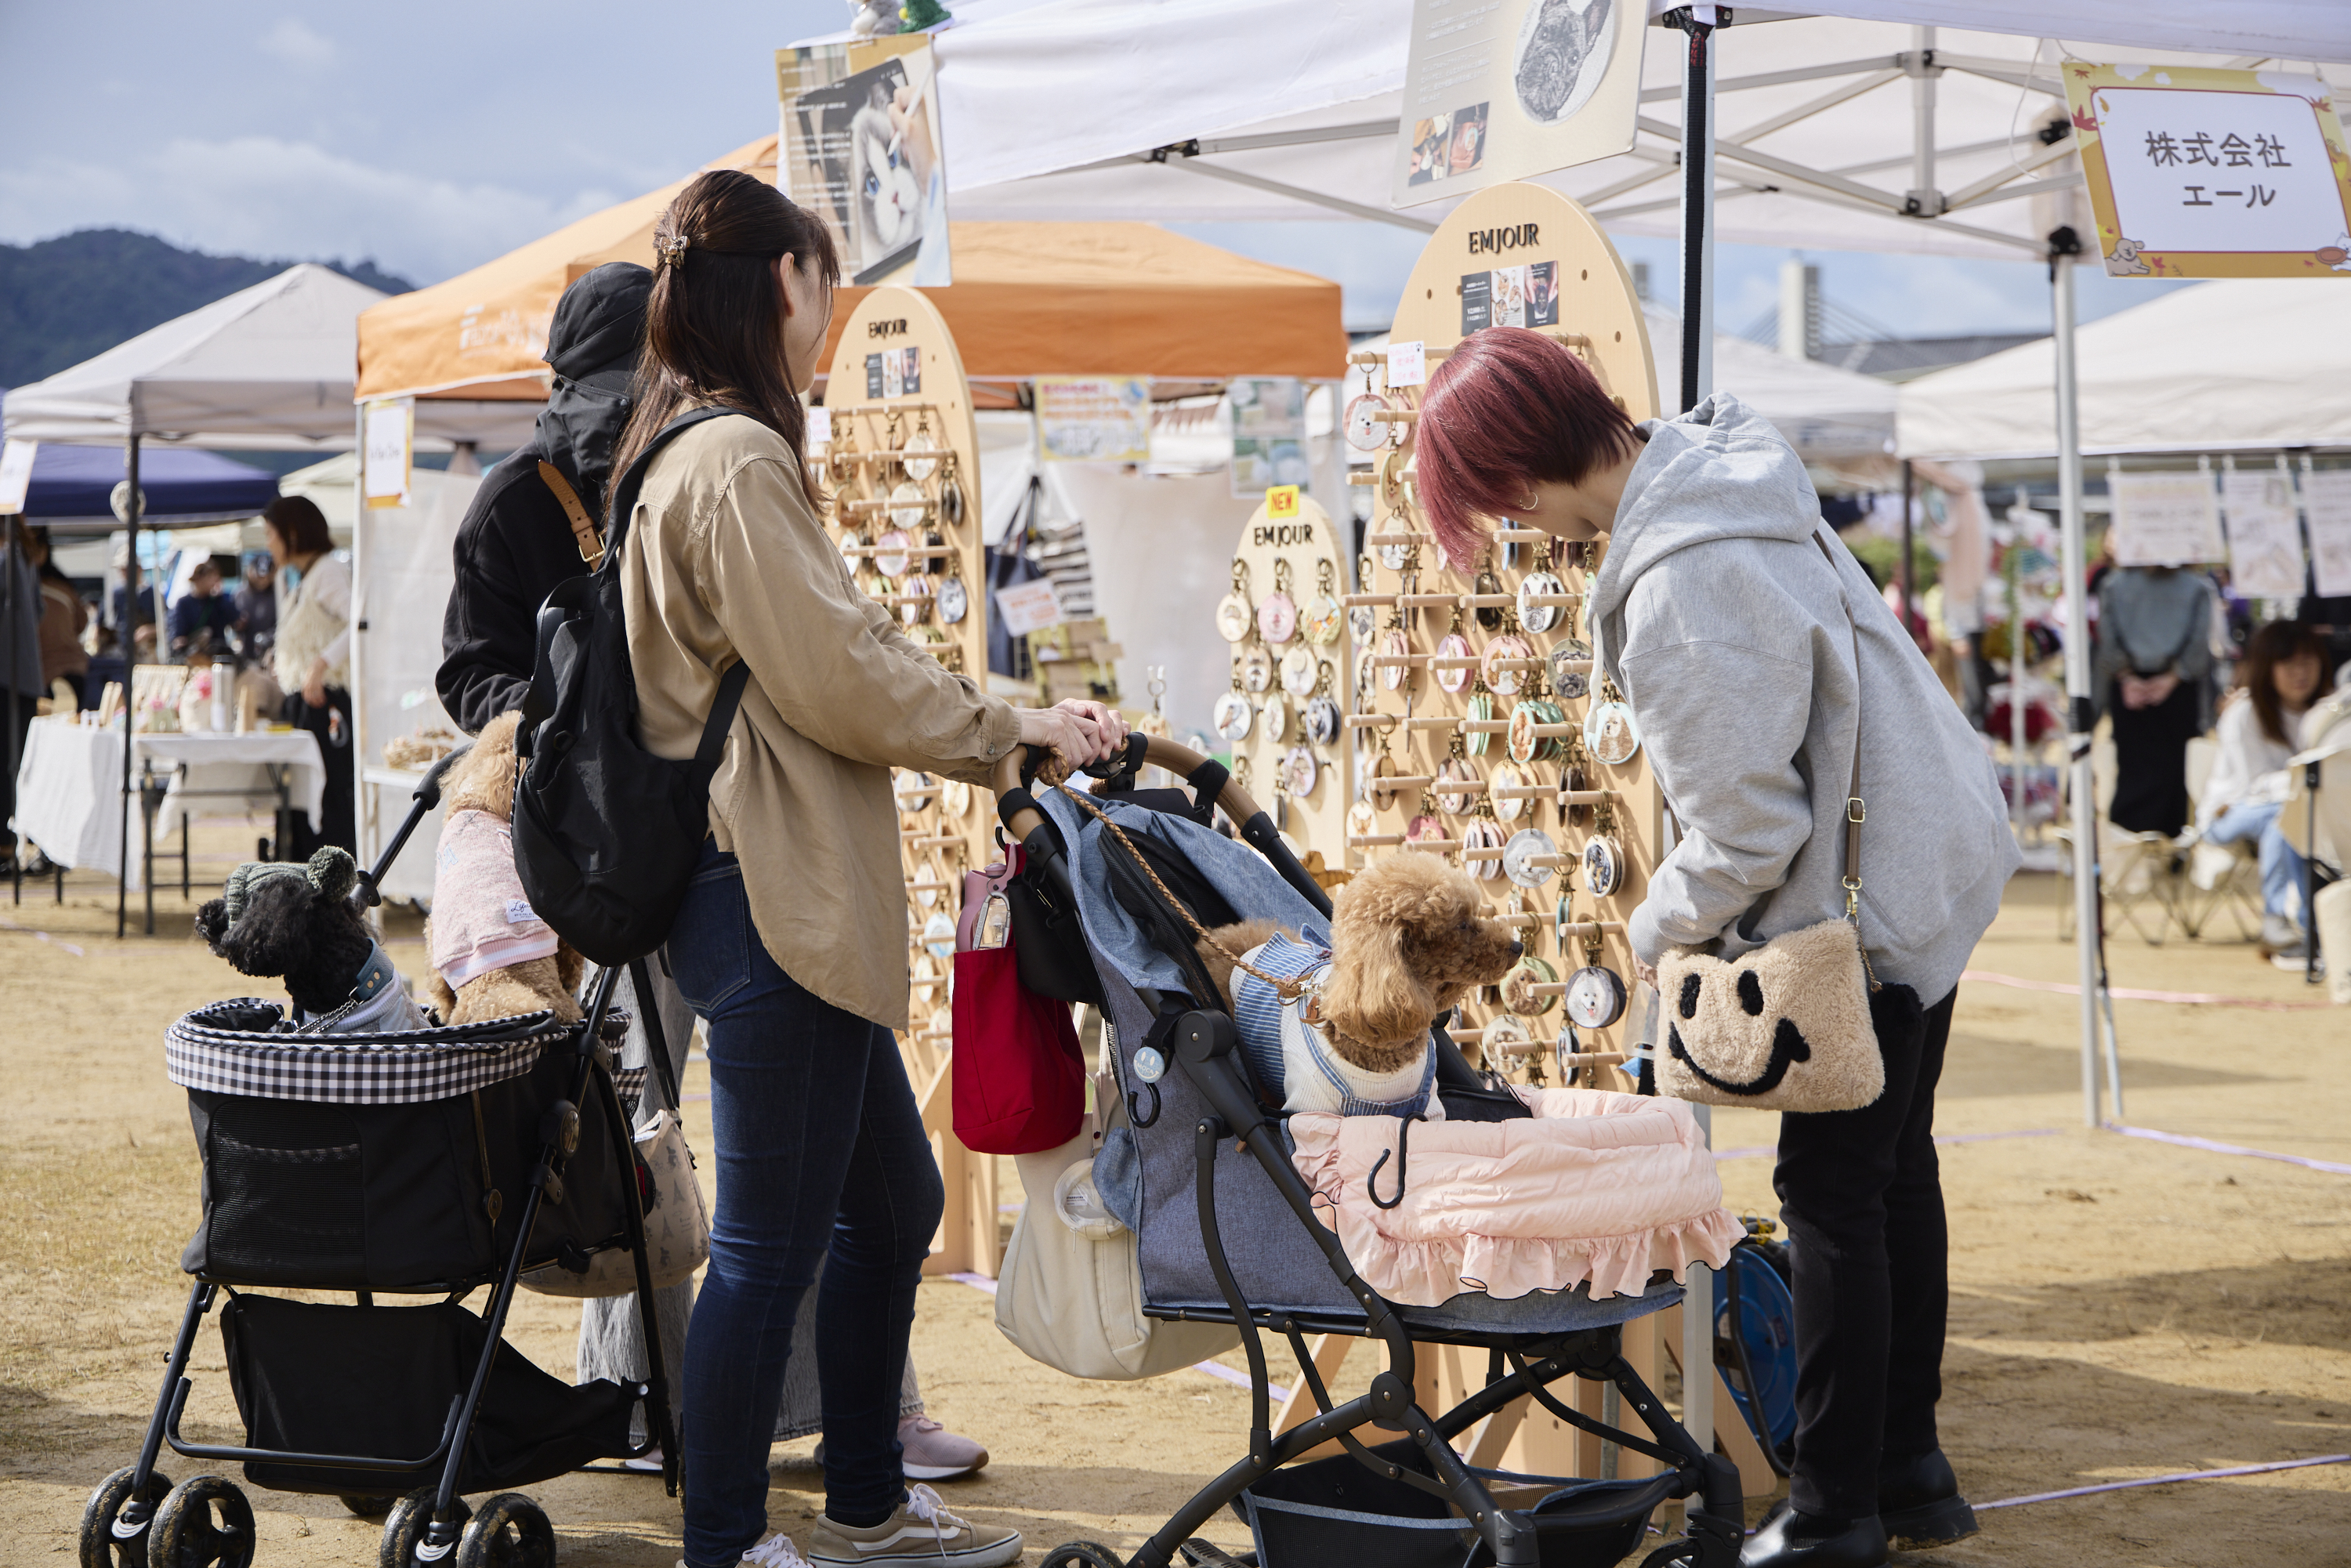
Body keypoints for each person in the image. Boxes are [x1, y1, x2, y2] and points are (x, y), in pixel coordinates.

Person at [1414, 328, 2017, 1568]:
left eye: (1494, 502)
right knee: (1893, 1170)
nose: (1511, 527)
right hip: (1928, 857)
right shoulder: (1721, 472)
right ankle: (1906, 1467)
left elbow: (1748, 829)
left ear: (1519, 474)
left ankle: (1836, 1509)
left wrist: (1653, 931)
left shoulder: (1682, 580)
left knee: (1831, 1196)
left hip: (1862, 908)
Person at [618, 170, 1128, 1568]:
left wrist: (1004, 717)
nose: (828, 316)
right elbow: (838, 674)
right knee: (766, 1251)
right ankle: (730, 1541)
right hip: (770, 893)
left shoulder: (696, 444)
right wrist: (1003, 729)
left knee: (893, 1203)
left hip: (774, 891)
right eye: (824, 285)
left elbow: (839, 654)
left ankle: (863, 1504)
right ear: (784, 280)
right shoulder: (732, 458)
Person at [438, 262, 991, 1483]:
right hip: (617, 861)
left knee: (801, 1161)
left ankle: (850, 1416)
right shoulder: (533, 498)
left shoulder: (690, 462)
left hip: (726, 842)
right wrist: (572, 723)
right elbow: (472, 672)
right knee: (660, 1145)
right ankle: (656, 1406)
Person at [2196, 619, 2335, 960]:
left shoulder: (2328, 712)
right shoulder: (2245, 713)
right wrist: (2307, 779)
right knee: (2284, 816)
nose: (2300, 673)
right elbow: (2253, 786)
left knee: (2299, 816)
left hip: (2307, 811)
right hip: (2229, 812)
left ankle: (2318, 925)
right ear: (2267, 668)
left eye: (2307, 662)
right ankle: (2282, 919)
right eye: (2288, 664)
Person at [2094, 563, 2216, 837]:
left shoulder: (2114, 584)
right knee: (2171, 770)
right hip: (2172, 688)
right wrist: (2172, 677)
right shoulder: (2196, 586)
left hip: (2138, 687)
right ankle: (2161, 846)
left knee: (2136, 768)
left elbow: (2107, 637)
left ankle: (2132, 844)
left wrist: (2127, 676)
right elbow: (2199, 643)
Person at [263, 496, 355, 856]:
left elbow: (361, 624)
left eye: (271, 534)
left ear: (292, 533)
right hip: (304, 703)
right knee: (304, 801)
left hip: (325, 702)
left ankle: (329, 878)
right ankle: (304, 876)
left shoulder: (328, 572)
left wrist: (320, 664)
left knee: (325, 800)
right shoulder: (305, 577)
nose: (268, 543)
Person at [22, 526, 91, 709]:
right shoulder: (63, 586)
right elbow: (82, 623)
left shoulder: (26, 588)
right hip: (71, 668)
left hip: (43, 674)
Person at [168, 558, 237, 657]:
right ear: (199, 578)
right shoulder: (184, 603)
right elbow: (177, 632)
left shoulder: (218, 602)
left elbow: (234, 618)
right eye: (210, 577)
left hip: (216, 653)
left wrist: (220, 595)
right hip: (192, 654)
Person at [234, 552, 277, 664]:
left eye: (266, 576)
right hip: (245, 653)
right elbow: (231, 623)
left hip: (271, 655)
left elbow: (282, 623)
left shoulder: (277, 595)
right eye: (259, 575)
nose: (262, 580)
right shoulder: (240, 594)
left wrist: (268, 638)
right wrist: (238, 624)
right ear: (250, 572)